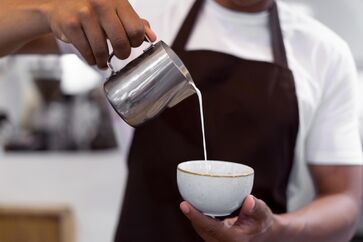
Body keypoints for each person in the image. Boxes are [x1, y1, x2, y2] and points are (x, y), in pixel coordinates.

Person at [1, 0, 362, 241]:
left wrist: (275, 230)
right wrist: (45, 9)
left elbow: (346, 199)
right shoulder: (140, 16)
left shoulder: (323, 51)